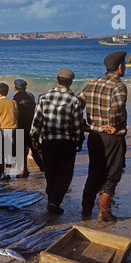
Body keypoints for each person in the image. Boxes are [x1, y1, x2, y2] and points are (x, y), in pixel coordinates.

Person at [77, 51, 127, 222]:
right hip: (112, 137)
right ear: (120, 67)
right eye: (124, 66)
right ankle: (104, 211)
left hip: (94, 135)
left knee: (94, 172)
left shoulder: (92, 83)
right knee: (113, 173)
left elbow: (76, 104)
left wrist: (84, 124)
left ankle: (86, 209)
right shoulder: (118, 86)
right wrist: (113, 124)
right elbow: (117, 109)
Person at [30, 69, 84, 214]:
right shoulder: (75, 100)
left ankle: (51, 200)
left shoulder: (44, 97)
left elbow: (37, 121)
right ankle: (54, 202)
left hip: (48, 141)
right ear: (71, 83)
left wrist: (35, 138)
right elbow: (78, 124)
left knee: (50, 172)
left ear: (56, 80)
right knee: (65, 174)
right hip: (67, 142)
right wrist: (79, 140)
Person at [12, 79, 44, 178]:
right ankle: (43, 167)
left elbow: (15, 114)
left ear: (15, 88)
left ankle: (23, 170)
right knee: (34, 149)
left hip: (20, 127)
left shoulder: (15, 99)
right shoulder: (30, 97)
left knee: (21, 150)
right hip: (31, 126)